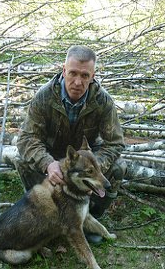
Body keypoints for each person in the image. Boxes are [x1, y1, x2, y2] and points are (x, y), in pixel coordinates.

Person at [15, 45, 127, 228]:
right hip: (53, 152)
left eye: (84, 76)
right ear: (64, 70)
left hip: (87, 155)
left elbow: (115, 143)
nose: (77, 82)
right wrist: (48, 163)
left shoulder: (103, 101)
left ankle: (91, 217)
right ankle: (42, 207)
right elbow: (27, 139)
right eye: (73, 73)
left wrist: (94, 168)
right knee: (22, 159)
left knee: (119, 167)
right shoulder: (44, 96)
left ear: (93, 76)